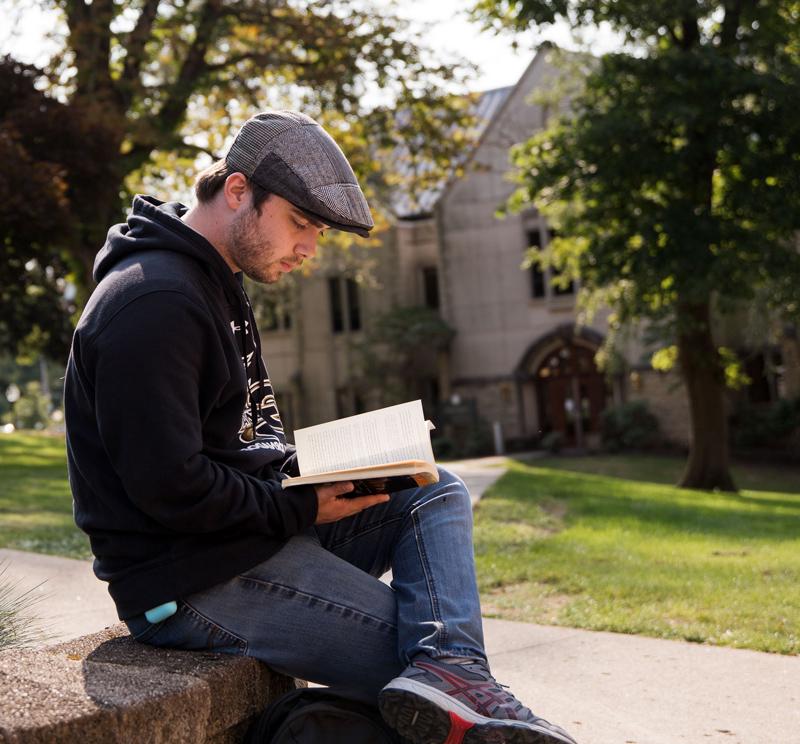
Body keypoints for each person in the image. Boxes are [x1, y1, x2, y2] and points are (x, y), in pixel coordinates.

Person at [64, 110, 577, 744]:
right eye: (300, 223)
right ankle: (451, 683)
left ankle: (453, 670)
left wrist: (334, 466)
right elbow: (171, 488)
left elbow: (240, 442)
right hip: (188, 581)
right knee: (417, 671)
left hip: (240, 539)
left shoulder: (215, 284)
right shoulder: (153, 303)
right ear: (237, 191)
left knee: (434, 491)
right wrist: (301, 507)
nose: (308, 248)